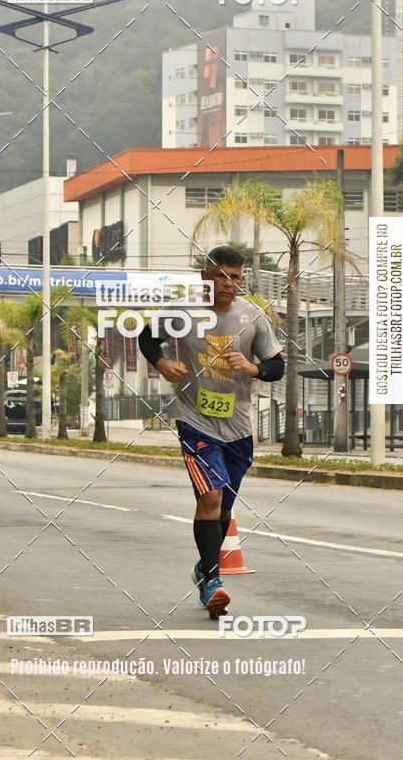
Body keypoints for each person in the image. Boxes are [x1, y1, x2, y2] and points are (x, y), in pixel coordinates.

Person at [138, 246, 285, 618]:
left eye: (235, 277)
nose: (229, 284)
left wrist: (252, 370)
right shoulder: (182, 311)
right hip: (195, 420)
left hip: (237, 425)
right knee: (211, 499)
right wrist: (162, 362)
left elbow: (276, 365)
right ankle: (212, 584)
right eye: (222, 276)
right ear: (206, 276)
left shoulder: (252, 318)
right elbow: (147, 337)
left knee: (223, 510)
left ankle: (204, 567)